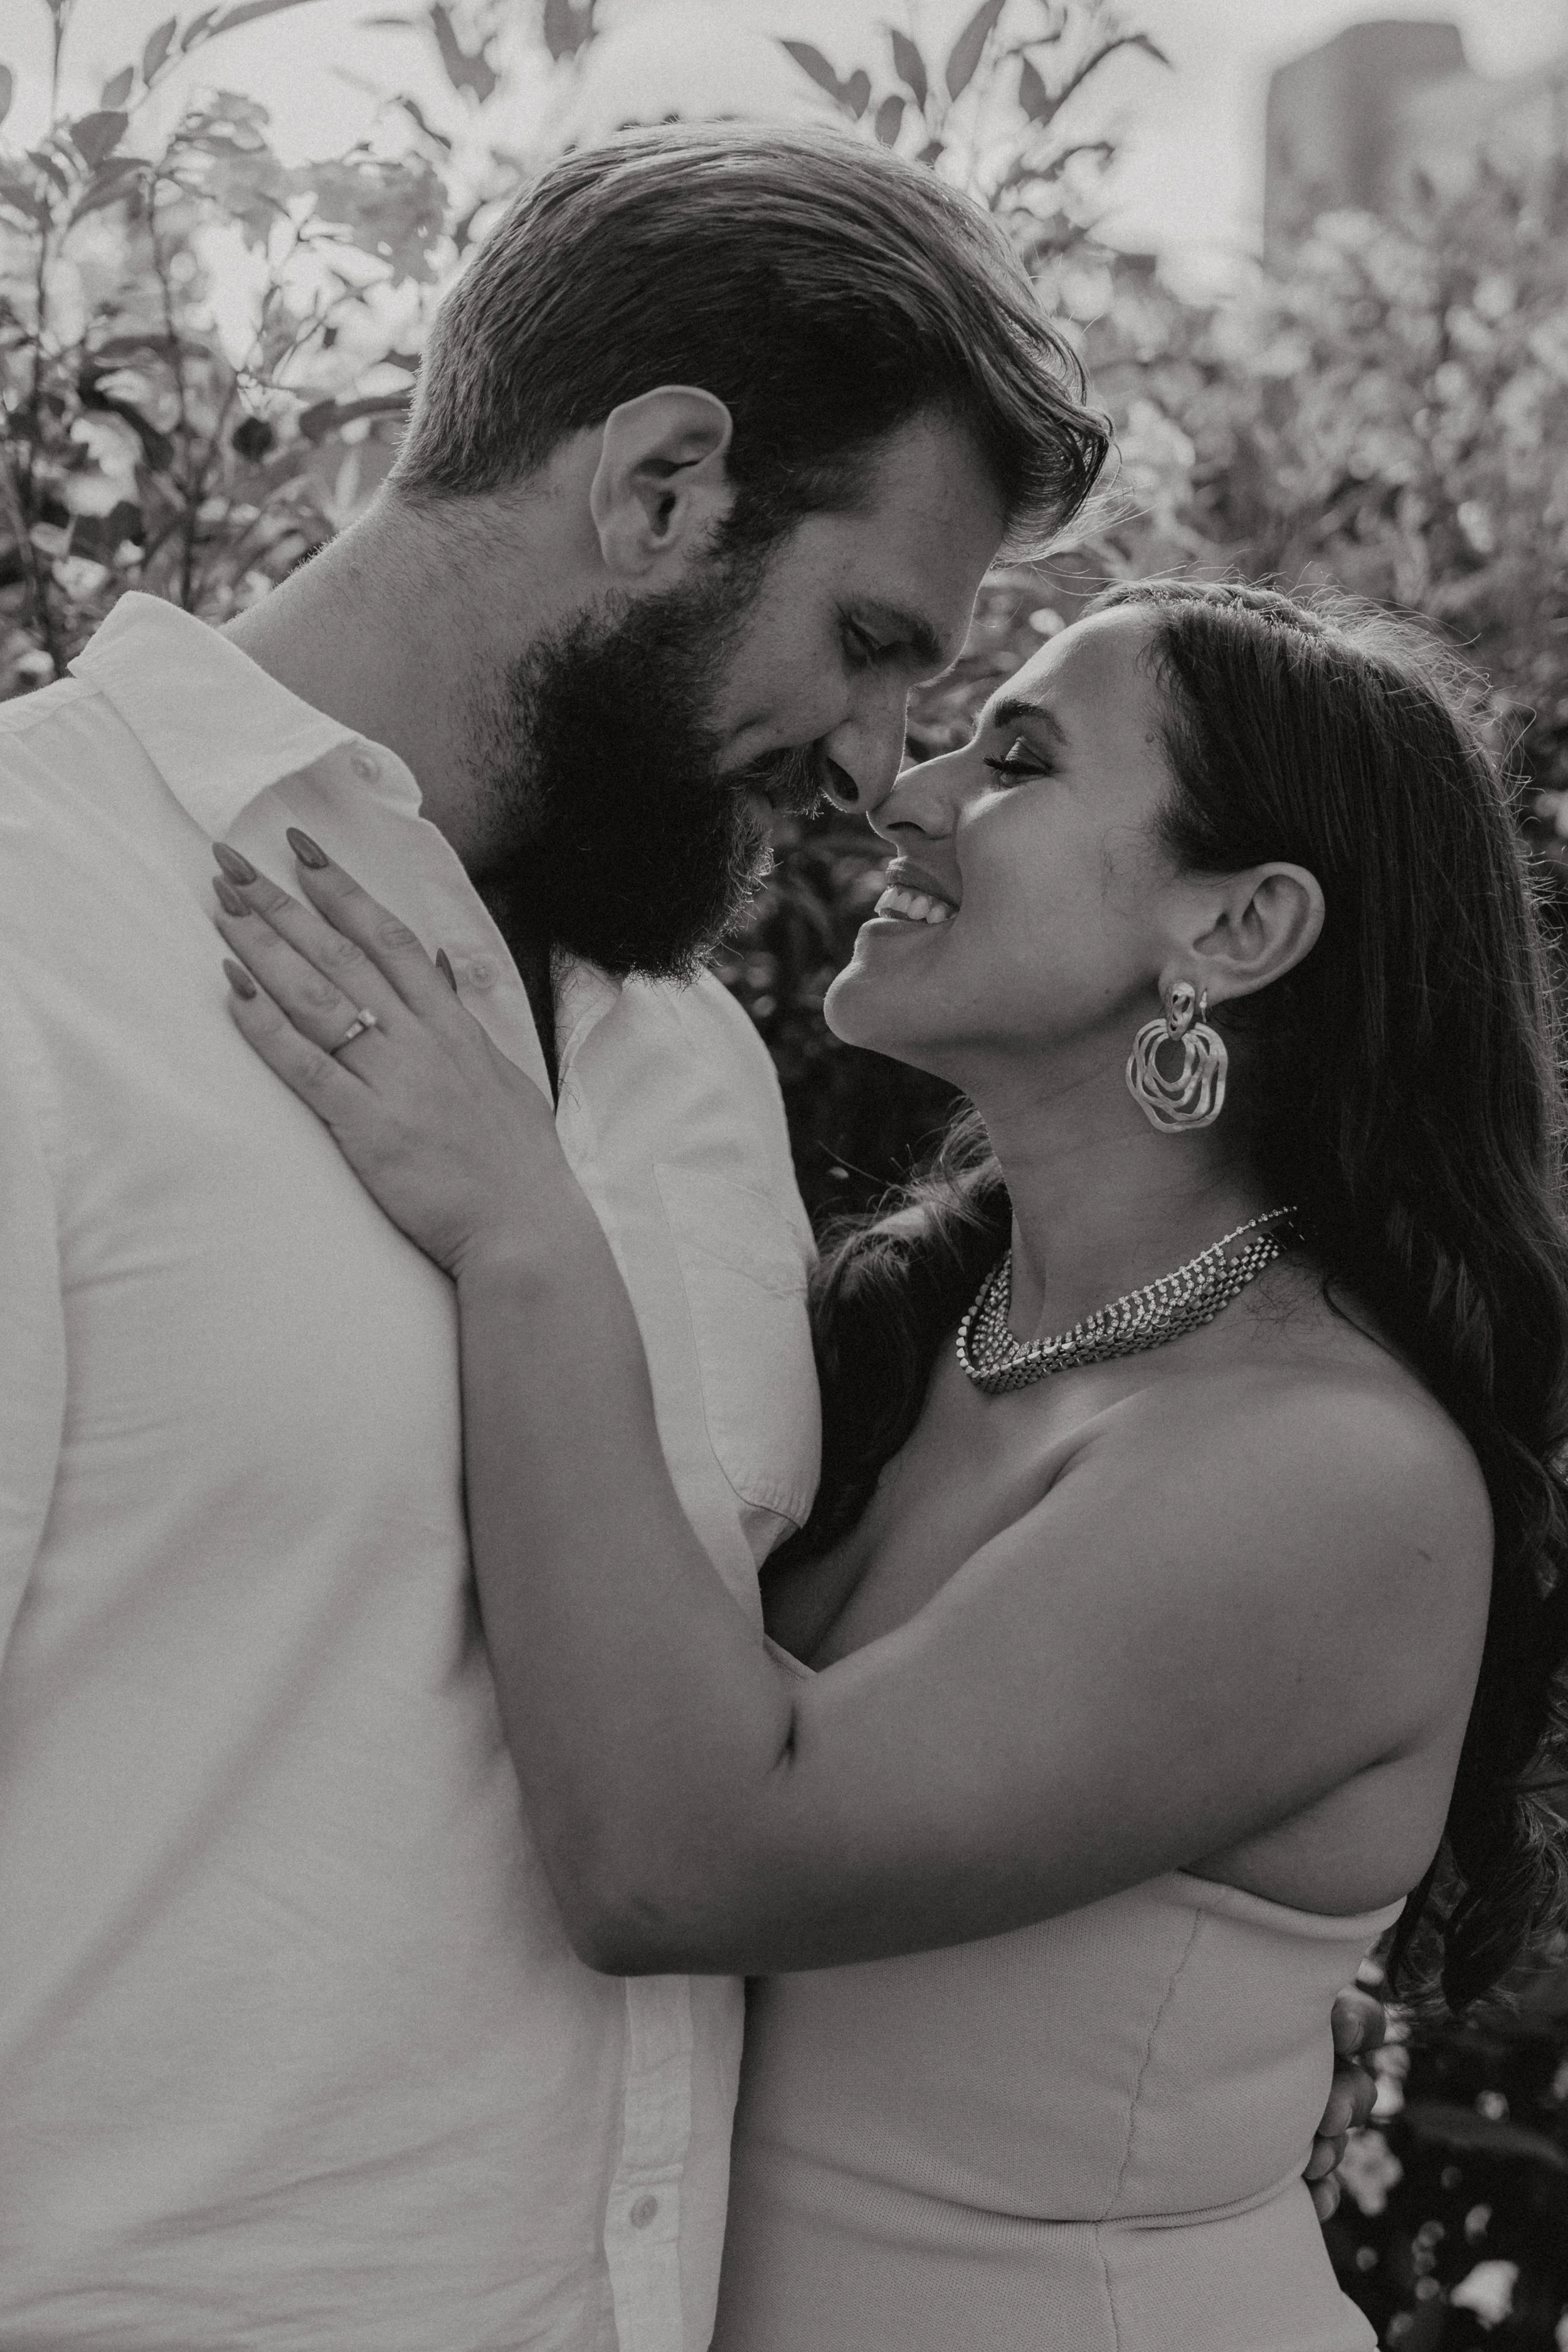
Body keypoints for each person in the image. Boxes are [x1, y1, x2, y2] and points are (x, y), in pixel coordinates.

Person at [0, 115, 1370, 2348]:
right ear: (655, 485)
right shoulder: (35, 945)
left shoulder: (684, 1066)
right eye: (866, 640)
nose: (875, 765)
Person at [211, 576, 1568, 2352]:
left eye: (1012, 759)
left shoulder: (1332, 1477)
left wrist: (520, 1228)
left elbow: (676, 1860)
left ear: (1235, 927)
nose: (902, 790)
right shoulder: (918, 1324)